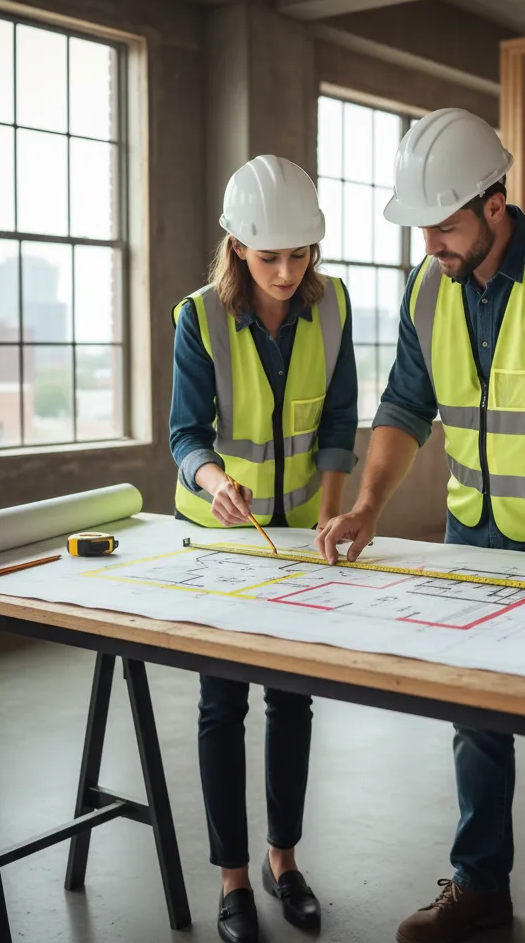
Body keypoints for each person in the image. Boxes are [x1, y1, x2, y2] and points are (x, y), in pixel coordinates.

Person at [316, 109, 525, 943]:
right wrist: (368, 507)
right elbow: (403, 408)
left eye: (445, 226)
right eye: (422, 228)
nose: (430, 247)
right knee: (476, 720)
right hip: (473, 535)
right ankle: (478, 886)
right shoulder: (430, 287)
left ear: (497, 203)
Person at [170, 154, 357, 943]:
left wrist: (337, 518)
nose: (287, 272)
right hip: (224, 539)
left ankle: (284, 864)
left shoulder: (334, 304)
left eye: (300, 253)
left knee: (292, 698)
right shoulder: (201, 315)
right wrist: (214, 480)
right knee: (223, 705)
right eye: (270, 255)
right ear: (237, 245)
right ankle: (233, 882)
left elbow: (342, 423)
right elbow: (184, 435)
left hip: (301, 536)